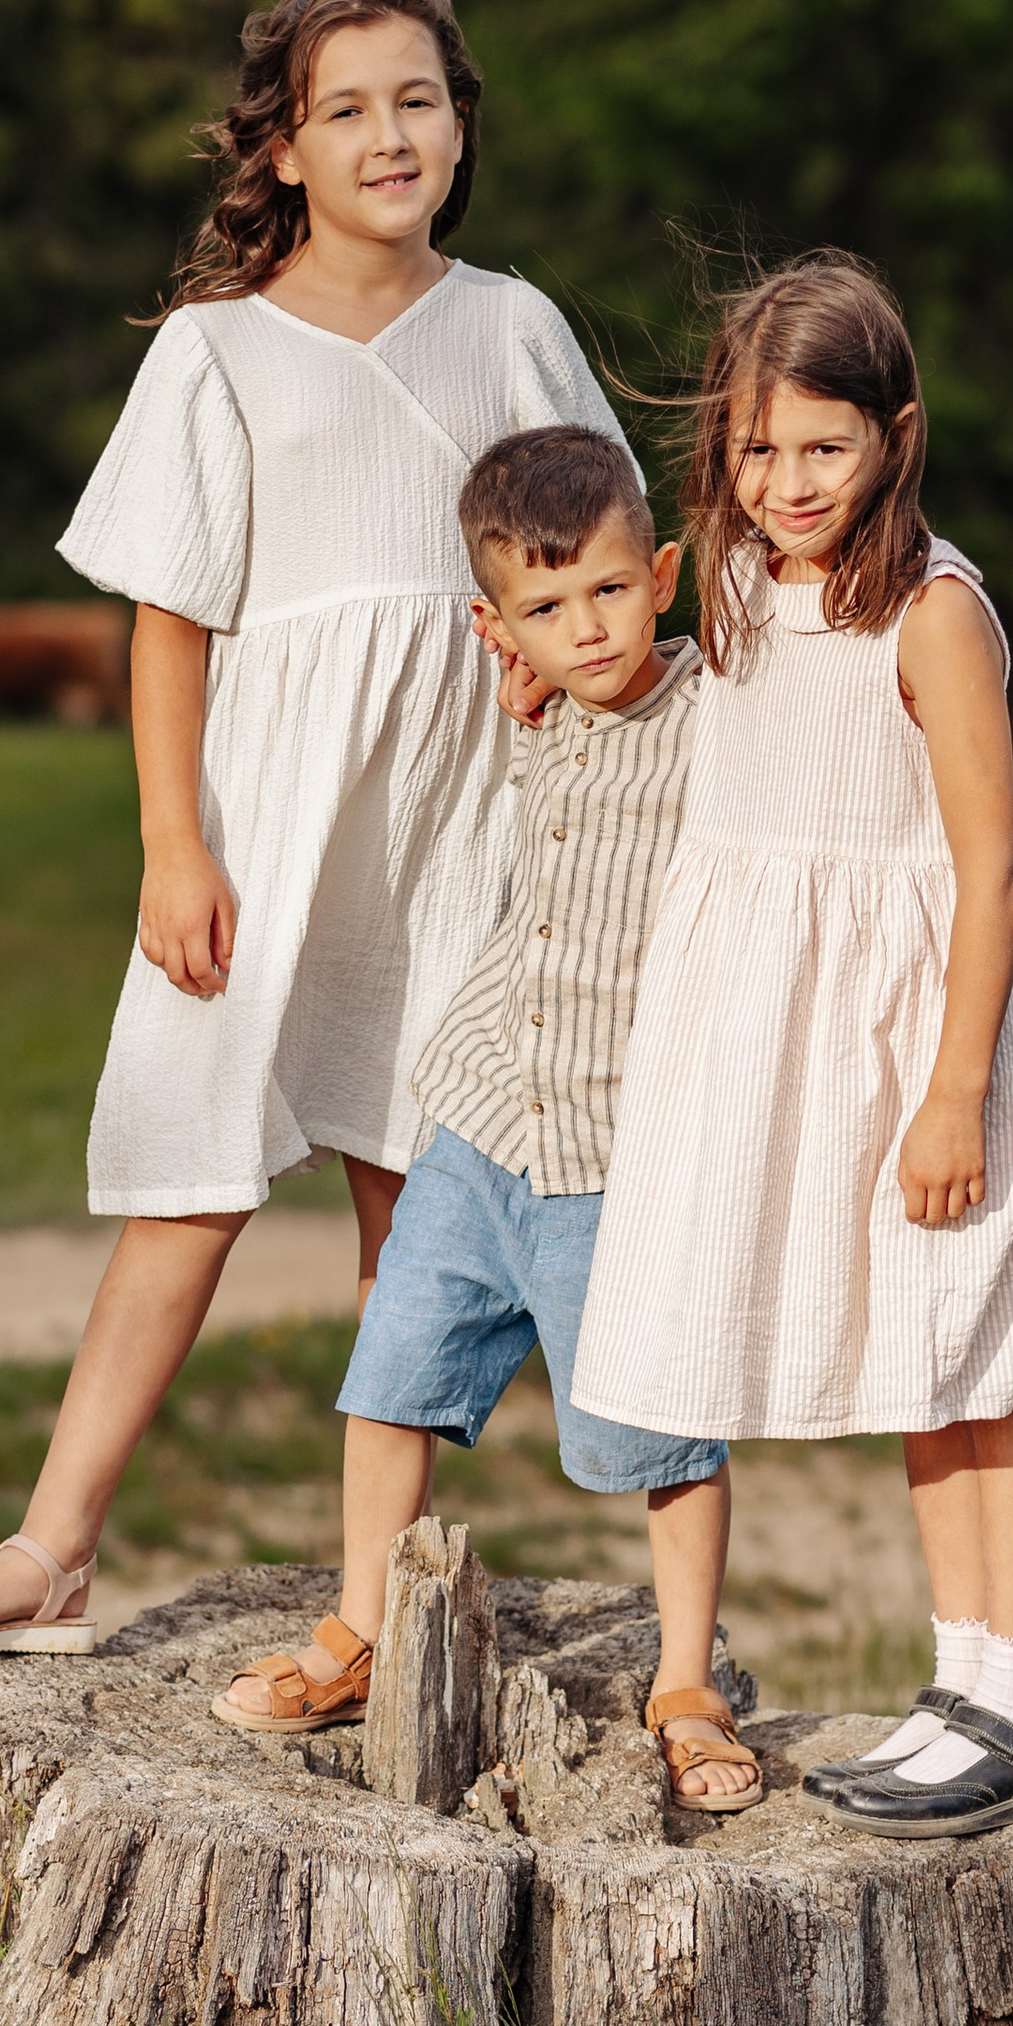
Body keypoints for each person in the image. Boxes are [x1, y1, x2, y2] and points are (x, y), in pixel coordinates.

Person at [0, 0, 627, 1662]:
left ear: (461, 123)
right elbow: (170, 613)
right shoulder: (215, 354)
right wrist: (174, 843)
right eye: (345, 110)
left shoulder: (514, 327)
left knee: (413, 1196)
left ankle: (379, 1597)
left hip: (461, 829)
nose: (387, 135)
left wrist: (544, 655)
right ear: (283, 146)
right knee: (189, 1177)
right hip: (268, 825)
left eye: (417, 101)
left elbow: (603, 561)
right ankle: (55, 1547)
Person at [567, 252, 1013, 1840]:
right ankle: (966, 1677)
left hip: (934, 1033)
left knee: (995, 1351)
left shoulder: (932, 616)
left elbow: (990, 865)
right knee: (927, 1360)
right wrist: (555, 672)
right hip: (810, 1033)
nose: (785, 483)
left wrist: (952, 1095)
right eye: (756, 447)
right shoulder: (729, 583)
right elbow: (706, 712)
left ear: (897, 437)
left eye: (824, 450)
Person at [214, 423, 763, 1806]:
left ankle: (687, 1688)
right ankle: (360, 1629)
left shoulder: (722, 718)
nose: (585, 628)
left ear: (666, 576)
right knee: (388, 1380)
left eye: (609, 592)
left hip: (611, 1155)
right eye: (544, 606)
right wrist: (527, 698)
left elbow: (845, 785)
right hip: (473, 1123)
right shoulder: (540, 714)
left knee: (659, 1431)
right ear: (495, 623)